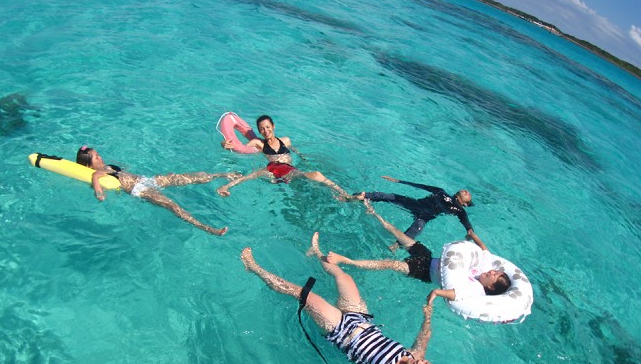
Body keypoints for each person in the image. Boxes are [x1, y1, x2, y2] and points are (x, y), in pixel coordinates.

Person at [240, 239, 441, 364]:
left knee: (302, 293)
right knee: (343, 276)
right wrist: (428, 315)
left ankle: (254, 268)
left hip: (340, 330)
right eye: (427, 363)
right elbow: (425, 336)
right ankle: (316, 253)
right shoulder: (415, 355)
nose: (423, 362)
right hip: (360, 317)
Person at [321, 200, 510, 299]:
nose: (492, 271)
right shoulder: (483, 267)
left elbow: (455, 294)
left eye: (494, 275)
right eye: (495, 271)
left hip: (423, 272)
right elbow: (484, 249)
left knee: (389, 264)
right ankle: (371, 212)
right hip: (428, 257)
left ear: (491, 286)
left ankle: (346, 261)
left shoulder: (475, 289)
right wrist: (471, 234)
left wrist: (436, 294)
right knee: (397, 232)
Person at [75, 145, 237, 236]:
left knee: (186, 176)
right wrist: (99, 190)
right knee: (173, 206)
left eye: (98, 154)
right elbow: (99, 193)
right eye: (96, 157)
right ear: (89, 165)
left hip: (146, 180)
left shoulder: (108, 166)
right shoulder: (98, 173)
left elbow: (126, 169)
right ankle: (208, 229)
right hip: (139, 189)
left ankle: (222, 174)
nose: (100, 157)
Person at [217, 115, 350, 200]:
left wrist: (304, 159)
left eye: (268, 127)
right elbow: (241, 149)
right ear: (259, 131)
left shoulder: (285, 140)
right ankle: (344, 194)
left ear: (273, 126)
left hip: (289, 170)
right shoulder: (258, 143)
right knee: (316, 174)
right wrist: (224, 144)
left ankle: (342, 195)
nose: (266, 130)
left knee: (309, 185)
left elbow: (296, 152)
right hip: (273, 169)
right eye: (262, 129)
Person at [353, 176, 486, 251]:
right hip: (417, 204)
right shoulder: (441, 191)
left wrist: (469, 230)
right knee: (392, 196)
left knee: (416, 229)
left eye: (469, 195)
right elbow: (421, 186)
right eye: (466, 191)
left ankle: (396, 245)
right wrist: (399, 181)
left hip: (426, 215)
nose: (467, 191)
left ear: (466, 204)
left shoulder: (459, 210)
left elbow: (465, 220)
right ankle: (363, 196)